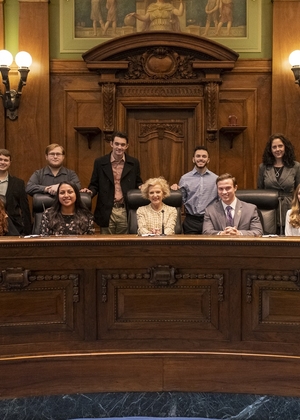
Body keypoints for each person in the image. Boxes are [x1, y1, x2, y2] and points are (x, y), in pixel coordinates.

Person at [81, 131, 143, 234]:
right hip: (107, 209)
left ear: (127, 146)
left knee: (125, 244)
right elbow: (94, 184)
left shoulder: (134, 163)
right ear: (111, 144)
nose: (119, 147)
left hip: (125, 209)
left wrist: (142, 186)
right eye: (117, 144)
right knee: (106, 244)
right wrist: (89, 192)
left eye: (123, 145)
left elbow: (138, 182)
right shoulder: (100, 162)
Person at [257, 133, 300, 234]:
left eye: (280, 146)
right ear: (270, 150)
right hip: (269, 209)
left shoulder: (295, 166)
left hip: (289, 208)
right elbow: (260, 190)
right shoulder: (263, 167)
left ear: (285, 147)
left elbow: (299, 190)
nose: (277, 149)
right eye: (274, 147)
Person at [171, 146, 218, 234]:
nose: (201, 158)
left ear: (208, 160)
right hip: (191, 220)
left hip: (210, 220)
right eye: (198, 156)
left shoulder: (216, 179)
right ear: (193, 159)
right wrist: (175, 190)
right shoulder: (184, 178)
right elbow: (180, 200)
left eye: (204, 156)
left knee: (211, 247)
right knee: (191, 247)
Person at [0, 149, 32, 235]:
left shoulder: (18, 183)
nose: (2, 162)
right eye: (0, 159)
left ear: (10, 163)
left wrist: (27, 233)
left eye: (6, 160)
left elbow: (25, 209)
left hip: (14, 228)